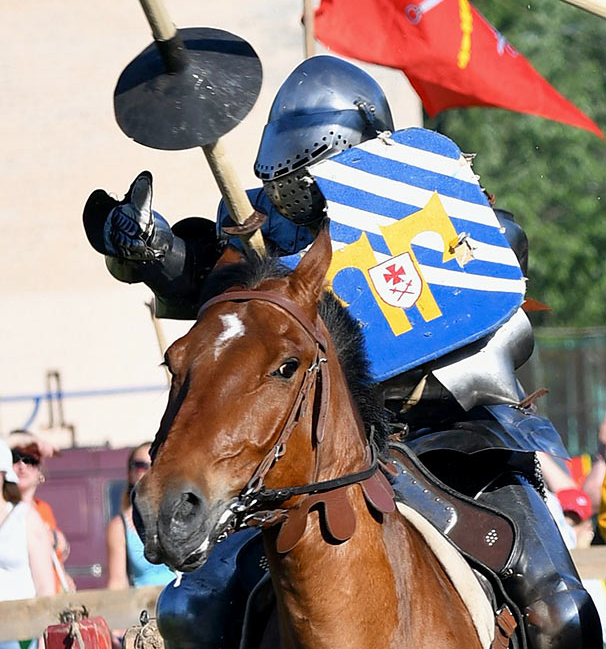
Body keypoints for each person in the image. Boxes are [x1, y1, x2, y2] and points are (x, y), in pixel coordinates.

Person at [82, 55, 601, 649]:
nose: (291, 193)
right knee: (190, 610)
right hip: (314, 455)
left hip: (453, 442)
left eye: (305, 176)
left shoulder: (436, 214)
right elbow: (210, 280)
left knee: (560, 611)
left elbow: (487, 279)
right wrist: (156, 251)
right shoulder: (261, 233)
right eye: (284, 179)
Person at [0, 437, 54, 649]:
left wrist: (43, 637)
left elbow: (45, 586)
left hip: (20, 633)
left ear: (3, 474)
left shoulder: (25, 517)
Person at [7, 431, 73, 593]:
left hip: (51, 597)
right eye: (14, 457)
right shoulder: (6, 510)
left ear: (40, 470)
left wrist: (60, 545)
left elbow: (54, 555)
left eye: (30, 459)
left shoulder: (43, 508)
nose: (22, 465)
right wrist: (24, 440)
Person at [106, 442, 174, 589]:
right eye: (141, 466)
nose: (149, 471)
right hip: (143, 602)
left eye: (155, 464)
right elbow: (117, 582)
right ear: (130, 473)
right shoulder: (120, 527)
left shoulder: (182, 518)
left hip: (181, 600)